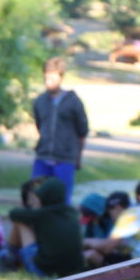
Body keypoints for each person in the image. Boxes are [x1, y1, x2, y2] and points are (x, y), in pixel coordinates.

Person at [0, 175, 84, 277]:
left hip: (45, 271)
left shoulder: (44, 214)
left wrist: (34, 209)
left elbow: (14, 213)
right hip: (71, 270)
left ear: (46, 196)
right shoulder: (72, 212)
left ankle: (9, 258)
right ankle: (11, 257)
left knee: (20, 222)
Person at [28, 59, 89, 194]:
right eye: (46, 78)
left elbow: (82, 131)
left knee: (61, 197)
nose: (48, 81)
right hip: (43, 157)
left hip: (65, 159)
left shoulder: (73, 102)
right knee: (36, 194)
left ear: (60, 78)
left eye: (52, 78)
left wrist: (78, 157)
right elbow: (39, 125)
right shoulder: (40, 101)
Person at [83, 179, 140, 268]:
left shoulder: (130, 215)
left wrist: (86, 242)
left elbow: (107, 247)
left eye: (109, 213)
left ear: (117, 207)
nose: (111, 219)